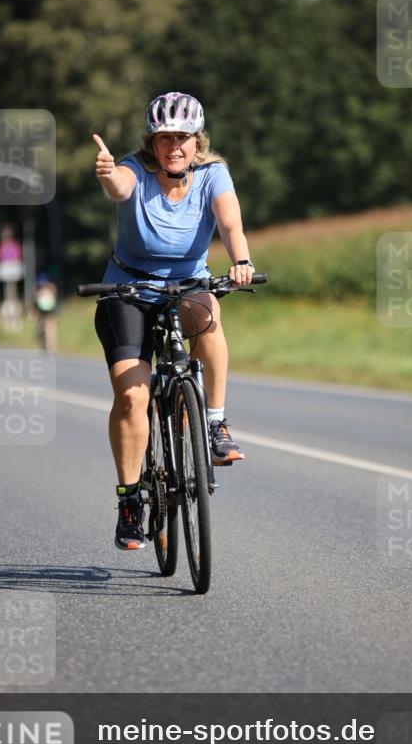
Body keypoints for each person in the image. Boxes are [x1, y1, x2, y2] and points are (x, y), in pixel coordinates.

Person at [92, 92, 254, 551]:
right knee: (130, 398)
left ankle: (217, 424)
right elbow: (120, 187)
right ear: (152, 142)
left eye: (181, 138)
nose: (173, 146)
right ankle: (129, 502)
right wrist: (108, 176)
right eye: (165, 138)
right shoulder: (134, 169)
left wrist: (240, 260)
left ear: (197, 141)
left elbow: (230, 225)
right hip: (127, 292)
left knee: (209, 315)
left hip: (186, 286)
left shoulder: (212, 174)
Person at [33, 273, 58, 353]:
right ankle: (46, 344)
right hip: (42, 311)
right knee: (41, 328)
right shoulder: (39, 290)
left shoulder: (49, 288)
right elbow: (34, 302)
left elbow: (54, 294)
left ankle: (49, 344)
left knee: (48, 326)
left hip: (48, 310)